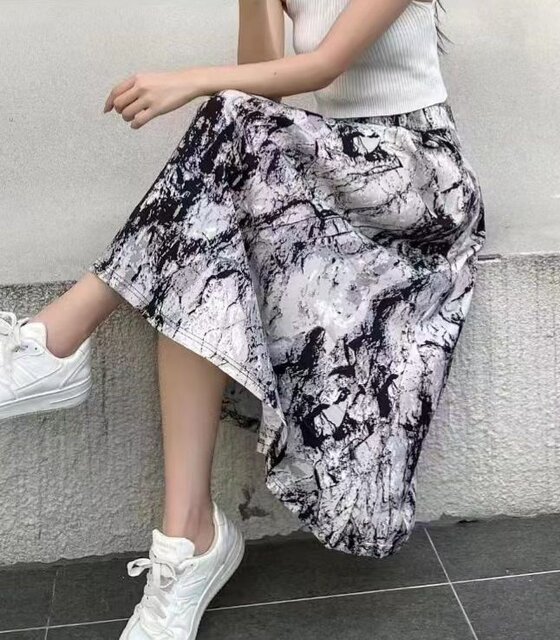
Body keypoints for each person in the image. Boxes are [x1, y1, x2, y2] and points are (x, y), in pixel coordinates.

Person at [0, 0, 486, 637]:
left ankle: (55, 341)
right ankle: (187, 539)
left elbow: (321, 67)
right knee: (203, 252)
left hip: (416, 178)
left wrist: (189, 80)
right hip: (331, 168)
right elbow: (264, 90)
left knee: (224, 121)